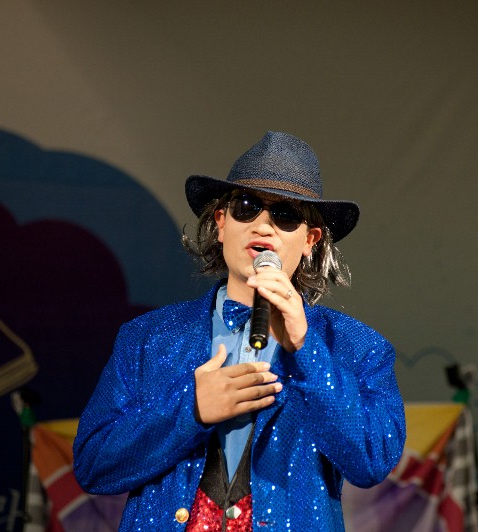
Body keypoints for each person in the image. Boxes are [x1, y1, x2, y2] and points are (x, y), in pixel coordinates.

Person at [73, 131, 406, 531]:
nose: (263, 226)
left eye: (285, 214)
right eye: (246, 208)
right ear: (221, 223)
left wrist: (307, 349)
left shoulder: (357, 347)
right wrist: (191, 409)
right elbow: (93, 466)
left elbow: (371, 461)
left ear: (310, 241)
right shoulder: (147, 337)